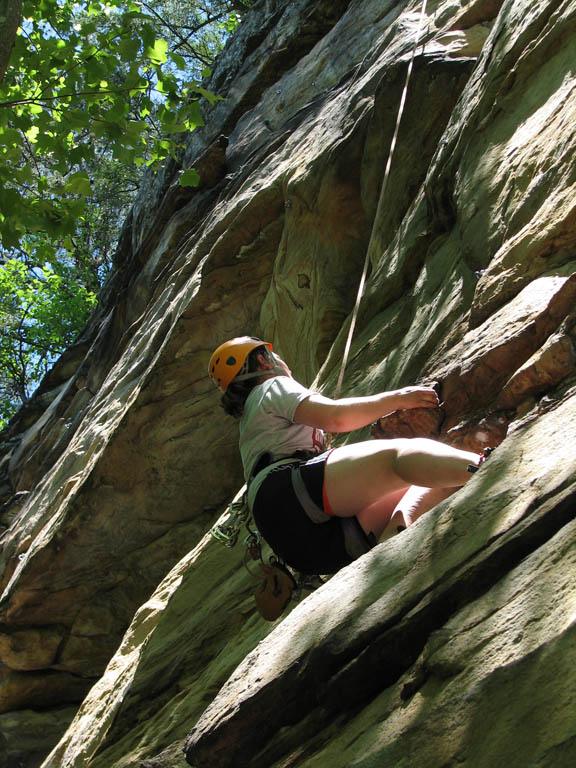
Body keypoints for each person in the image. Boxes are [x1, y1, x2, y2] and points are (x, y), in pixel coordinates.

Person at [208, 336, 486, 575]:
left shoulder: (251, 425)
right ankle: (484, 468)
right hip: (290, 493)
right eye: (274, 356)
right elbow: (337, 418)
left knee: (422, 479)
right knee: (401, 456)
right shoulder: (271, 386)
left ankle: (395, 545)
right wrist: (399, 397)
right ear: (264, 362)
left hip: (304, 545)